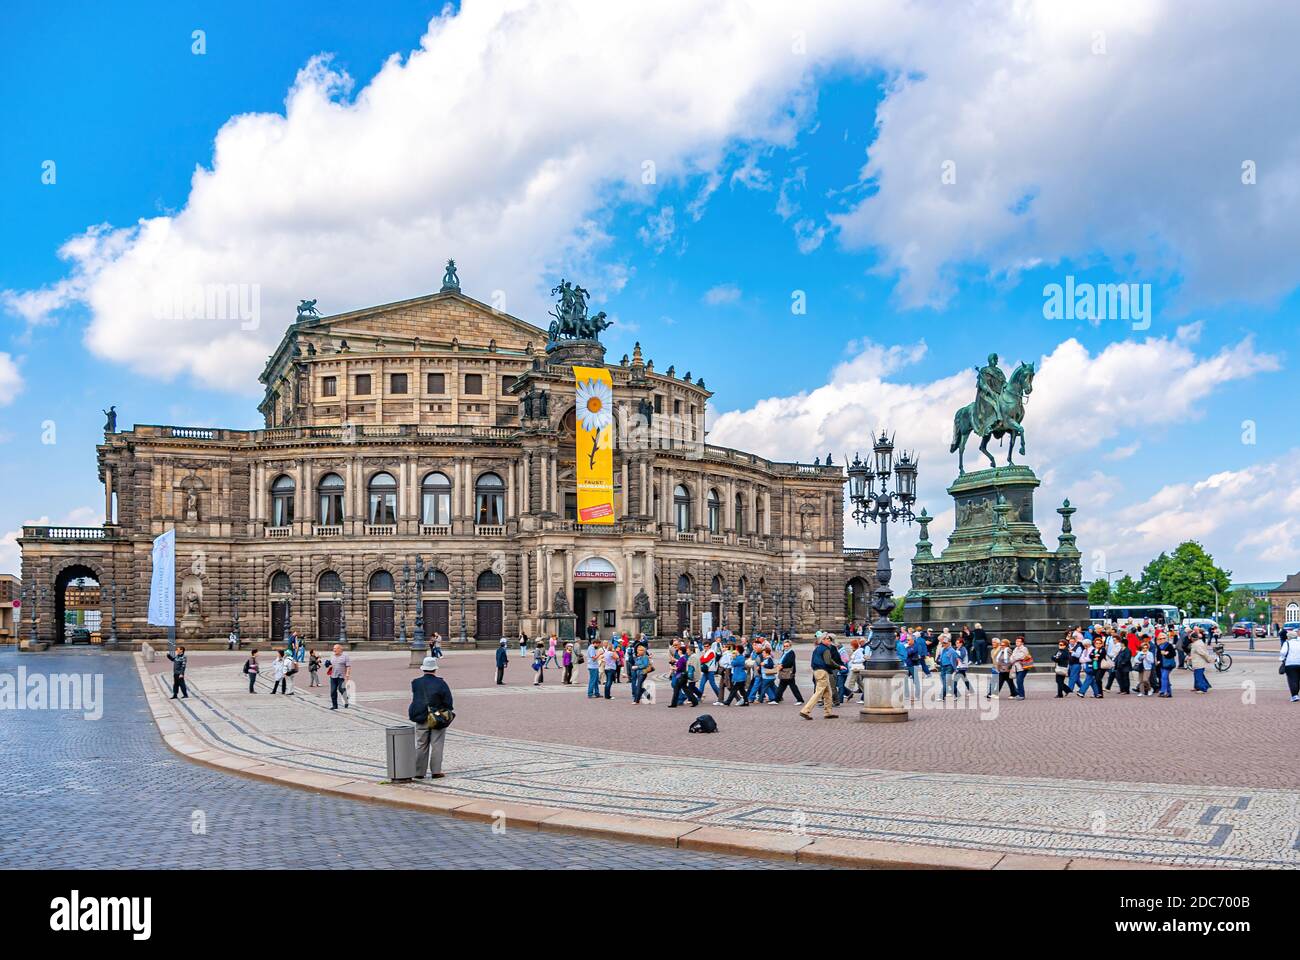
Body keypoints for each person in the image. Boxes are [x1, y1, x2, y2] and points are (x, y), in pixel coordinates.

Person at [408, 656, 453, 779]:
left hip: (421, 716)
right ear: (434, 669)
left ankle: (419, 772)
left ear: (423, 669)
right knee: (437, 745)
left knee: (421, 744)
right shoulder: (441, 683)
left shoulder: (415, 682)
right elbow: (449, 702)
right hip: (437, 718)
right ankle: (436, 771)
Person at [799, 634, 841, 720]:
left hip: (817, 671)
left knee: (828, 693)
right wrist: (839, 666)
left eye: (830, 639)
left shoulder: (817, 649)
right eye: (827, 639)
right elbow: (828, 661)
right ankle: (805, 711)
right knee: (819, 693)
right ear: (822, 640)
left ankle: (828, 713)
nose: (829, 640)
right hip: (822, 671)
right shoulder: (825, 649)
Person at [774, 639, 804, 704]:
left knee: (792, 687)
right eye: (784, 646)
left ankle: (800, 700)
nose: (785, 647)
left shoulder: (791, 653)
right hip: (784, 672)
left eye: (787, 646)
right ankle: (776, 699)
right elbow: (782, 660)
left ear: (790, 646)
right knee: (781, 686)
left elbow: (790, 662)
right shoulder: (785, 652)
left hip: (789, 672)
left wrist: (782, 665)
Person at [328, 643, 352, 709]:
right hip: (333, 676)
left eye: (335, 648)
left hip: (341, 677)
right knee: (333, 691)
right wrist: (328, 665)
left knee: (341, 689)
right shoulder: (332, 655)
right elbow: (330, 665)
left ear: (340, 649)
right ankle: (334, 705)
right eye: (333, 648)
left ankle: (346, 700)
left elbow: (348, 666)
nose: (334, 650)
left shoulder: (345, 656)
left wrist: (347, 674)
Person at [1280, 633, 1300, 702]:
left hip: (1290, 663)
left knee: (1292, 680)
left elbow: (1283, 652)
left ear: (1289, 637)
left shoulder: (1287, 643)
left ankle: (1295, 696)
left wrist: (1282, 658)